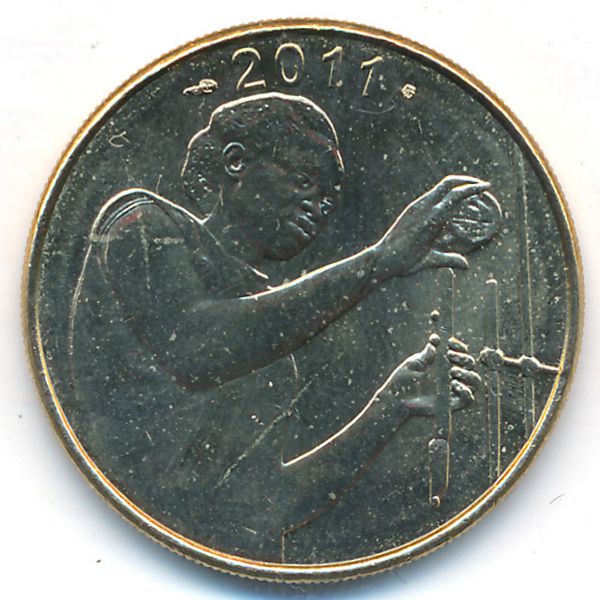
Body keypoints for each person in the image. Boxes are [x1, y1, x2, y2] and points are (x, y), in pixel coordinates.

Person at [68, 92, 483, 561]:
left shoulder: (273, 342)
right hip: (102, 541)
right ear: (236, 162)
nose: (318, 207)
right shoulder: (141, 222)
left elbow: (264, 506)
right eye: (304, 180)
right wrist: (377, 263)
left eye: (328, 200)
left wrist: (391, 406)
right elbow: (195, 349)